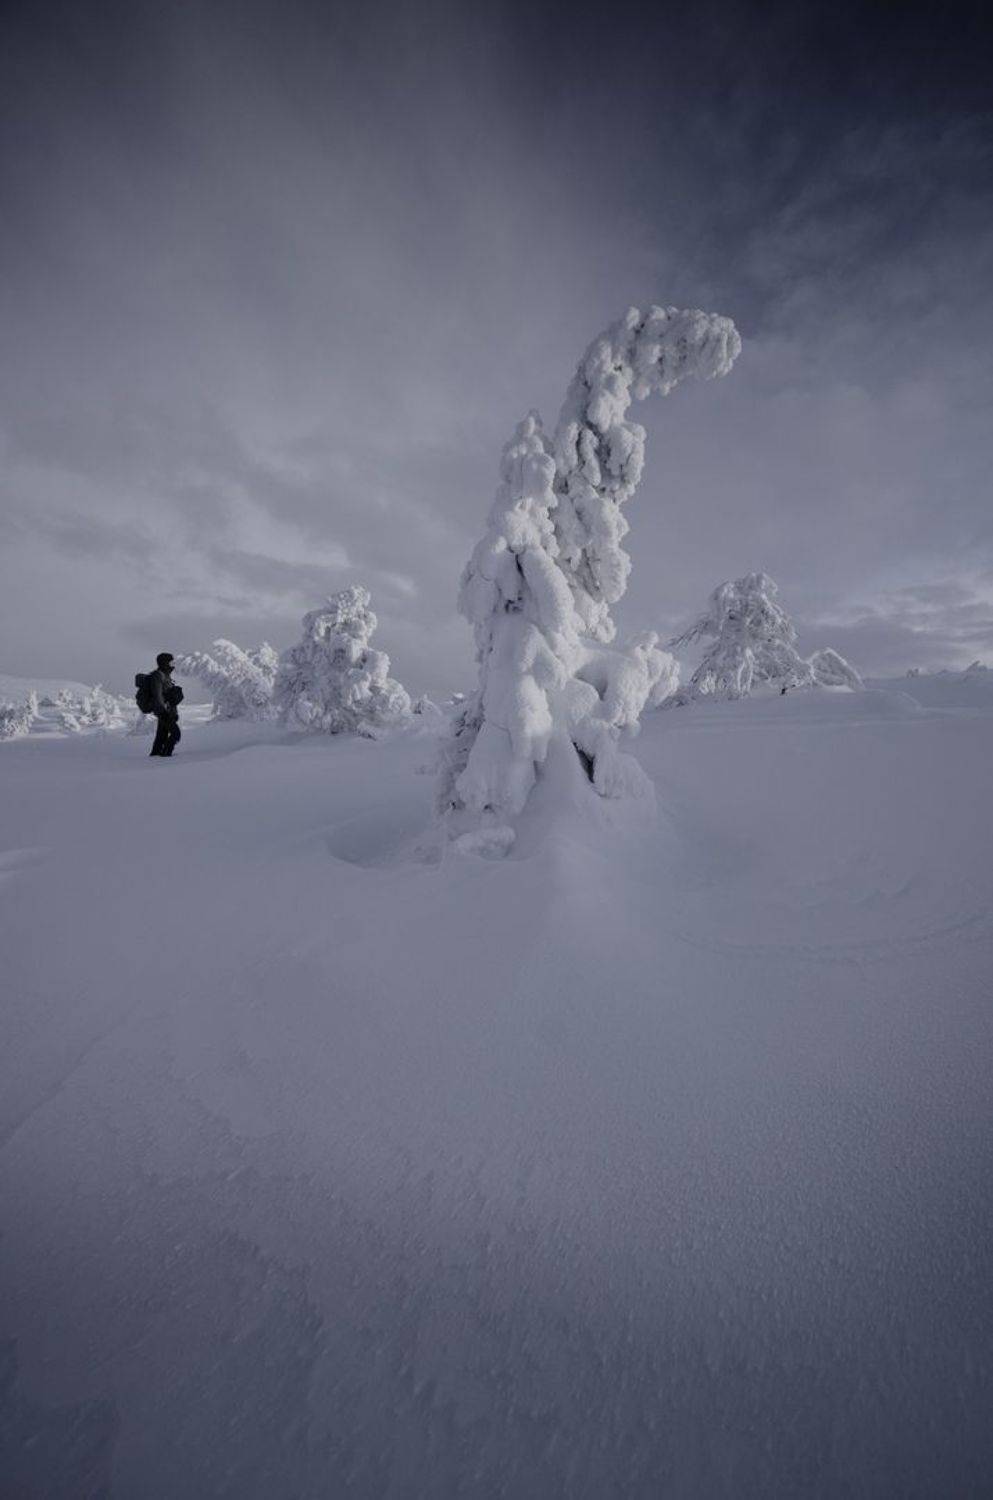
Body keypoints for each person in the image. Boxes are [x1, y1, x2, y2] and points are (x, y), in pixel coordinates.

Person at [148, 652, 183, 757]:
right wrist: (163, 713)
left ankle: (155, 756)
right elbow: (157, 695)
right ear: (164, 663)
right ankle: (166, 755)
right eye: (170, 662)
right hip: (163, 712)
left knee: (161, 736)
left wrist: (173, 712)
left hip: (167, 712)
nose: (173, 665)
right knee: (176, 734)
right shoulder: (158, 676)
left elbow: (167, 697)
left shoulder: (166, 675)